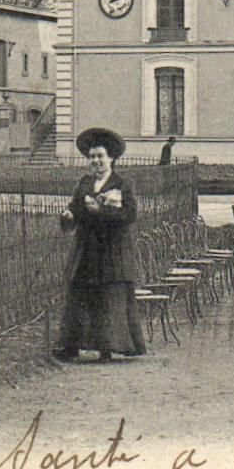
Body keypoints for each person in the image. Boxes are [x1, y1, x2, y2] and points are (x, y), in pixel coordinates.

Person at [53, 127, 146, 363]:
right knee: (81, 295)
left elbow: (129, 215)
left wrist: (101, 212)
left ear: (111, 158)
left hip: (112, 249)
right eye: (92, 157)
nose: (96, 162)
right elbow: (75, 206)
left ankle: (109, 347)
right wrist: (69, 214)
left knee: (109, 296)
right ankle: (71, 346)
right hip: (87, 249)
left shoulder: (122, 184)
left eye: (100, 157)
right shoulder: (84, 183)